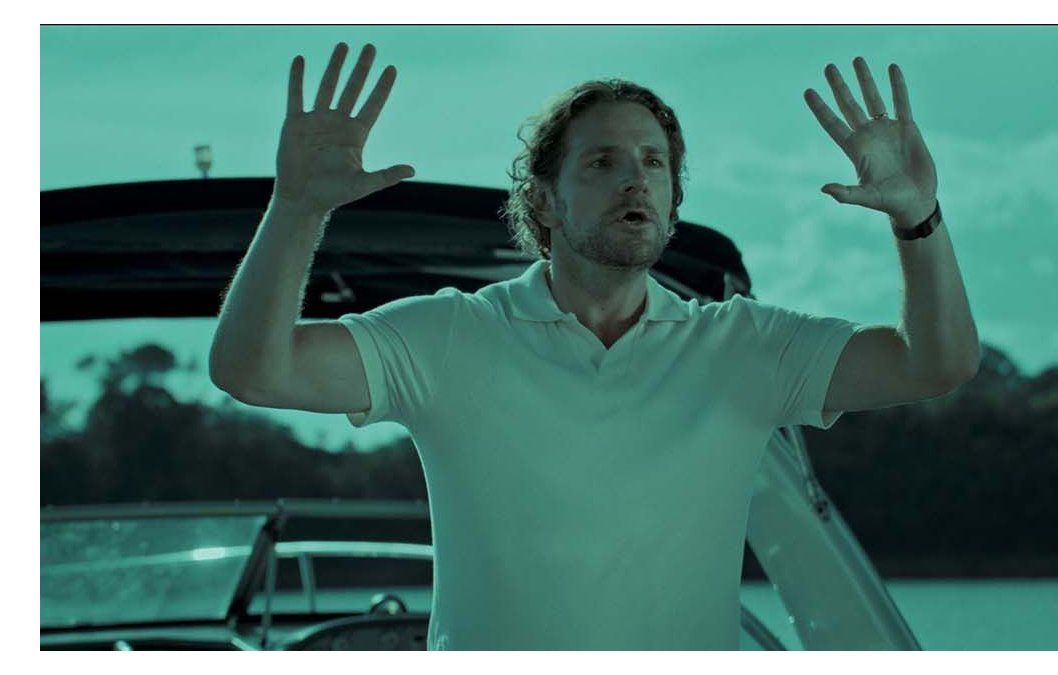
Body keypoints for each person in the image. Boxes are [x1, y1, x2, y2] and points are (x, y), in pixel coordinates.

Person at [209, 42, 981, 650]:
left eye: (654, 162)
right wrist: (296, 209)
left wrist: (918, 217)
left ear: (673, 200)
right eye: (603, 162)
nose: (635, 180)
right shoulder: (450, 335)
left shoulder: (744, 344)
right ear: (543, 199)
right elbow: (254, 370)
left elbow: (934, 362)